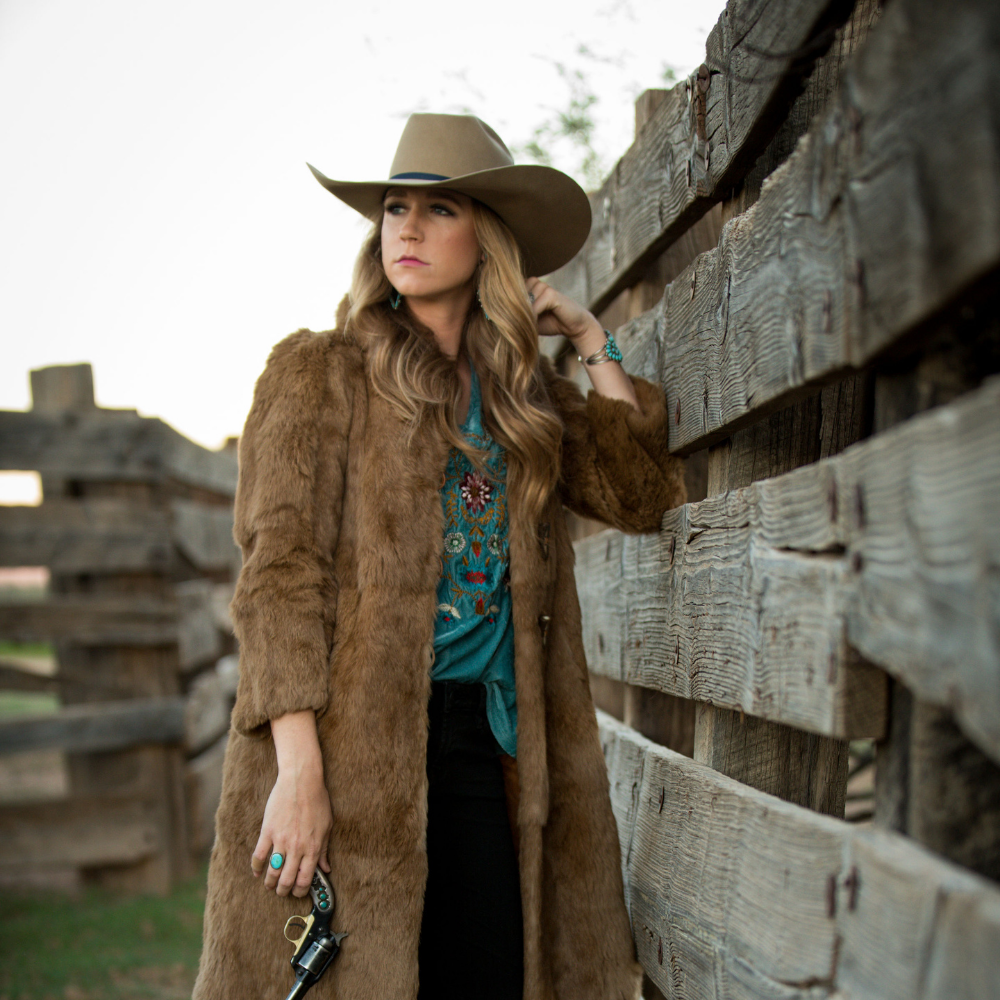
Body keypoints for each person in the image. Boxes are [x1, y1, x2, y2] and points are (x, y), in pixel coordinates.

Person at [192, 113, 686, 1000]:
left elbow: (638, 493)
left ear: (488, 237)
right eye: (395, 208)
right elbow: (279, 580)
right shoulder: (319, 373)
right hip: (350, 747)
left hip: (490, 748)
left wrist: (587, 336)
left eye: (439, 208)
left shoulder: (523, 401)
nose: (408, 229)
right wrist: (299, 774)